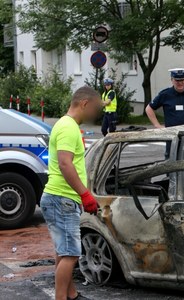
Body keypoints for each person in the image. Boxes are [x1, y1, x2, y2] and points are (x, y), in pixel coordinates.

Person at [40, 86, 101, 300]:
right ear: (84, 104)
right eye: (95, 108)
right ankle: (61, 298)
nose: (96, 114)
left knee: (64, 251)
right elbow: (66, 165)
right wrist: (85, 194)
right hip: (62, 198)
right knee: (71, 254)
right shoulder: (68, 127)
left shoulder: (66, 125)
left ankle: (71, 294)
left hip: (59, 198)